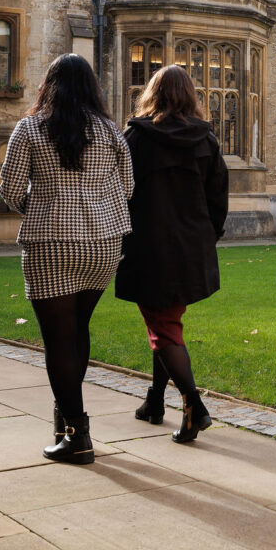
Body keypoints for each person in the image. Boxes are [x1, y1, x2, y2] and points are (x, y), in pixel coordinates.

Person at [0, 54, 133, 464]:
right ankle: (65, 420)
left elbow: (9, 189)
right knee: (78, 331)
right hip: (104, 243)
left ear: (49, 85)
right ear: (92, 86)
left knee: (59, 339)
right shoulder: (110, 130)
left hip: (51, 241)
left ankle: (77, 436)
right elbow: (127, 186)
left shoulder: (30, 128)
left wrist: (41, 206)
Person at [116, 65, 228, 443]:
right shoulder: (206, 139)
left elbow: (121, 191)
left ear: (152, 94)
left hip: (150, 246)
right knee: (165, 324)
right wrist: (206, 237)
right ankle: (154, 402)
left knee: (163, 327)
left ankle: (194, 406)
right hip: (191, 246)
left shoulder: (136, 137)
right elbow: (218, 198)